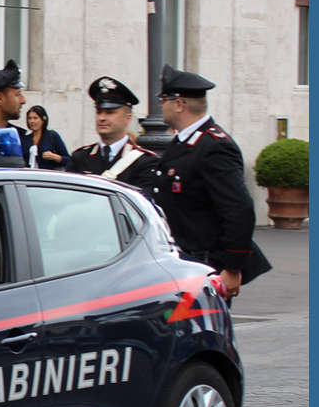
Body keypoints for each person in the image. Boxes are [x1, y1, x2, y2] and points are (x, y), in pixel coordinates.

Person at [151, 64, 271, 297]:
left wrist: (232, 267)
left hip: (205, 265)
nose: (160, 106)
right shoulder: (185, 142)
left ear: (178, 104)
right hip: (182, 261)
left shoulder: (214, 146)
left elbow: (239, 209)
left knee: (202, 330)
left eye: (162, 100)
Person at [68, 77, 158, 190]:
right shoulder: (80, 157)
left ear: (127, 118)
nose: (102, 118)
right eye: (99, 112)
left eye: (110, 112)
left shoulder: (144, 161)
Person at [22, 105, 69, 169]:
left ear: (43, 121)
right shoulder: (26, 139)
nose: (32, 121)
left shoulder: (52, 136)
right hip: (30, 176)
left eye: (35, 118)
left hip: (48, 176)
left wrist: (54, 157)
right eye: (30, 118)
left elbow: (68, 160)